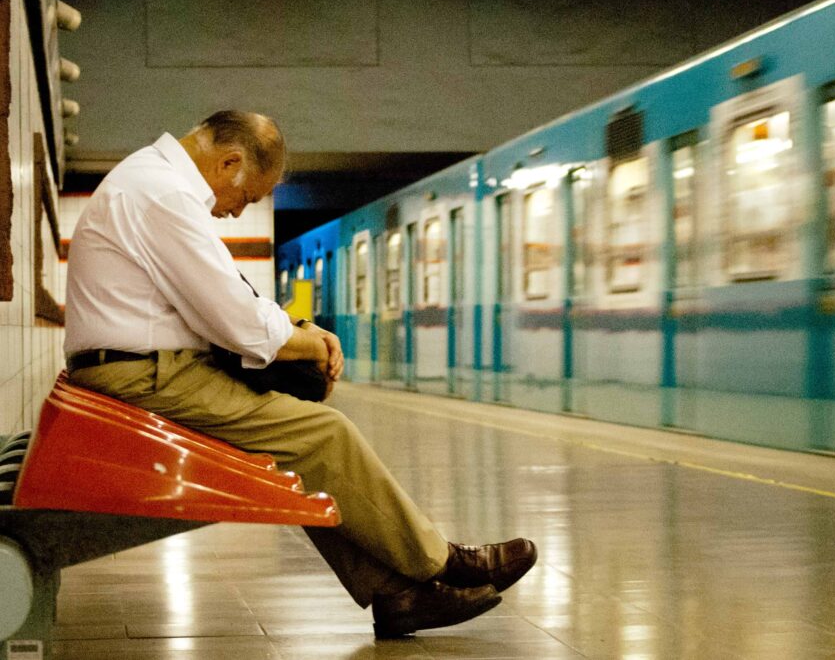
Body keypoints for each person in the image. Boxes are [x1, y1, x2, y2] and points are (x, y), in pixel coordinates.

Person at [63, 110, 537, 638]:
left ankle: (397, 594)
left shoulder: (152, 182)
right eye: (243, 198)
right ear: (230, 161)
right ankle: (440, 562)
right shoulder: (163, 195)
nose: (232, 213)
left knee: (307, 444)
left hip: (145, 371)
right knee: (324, 436)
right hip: (146, 378)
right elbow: (235, 321)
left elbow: (225, 297)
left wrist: (297, 328)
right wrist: (308, 339)